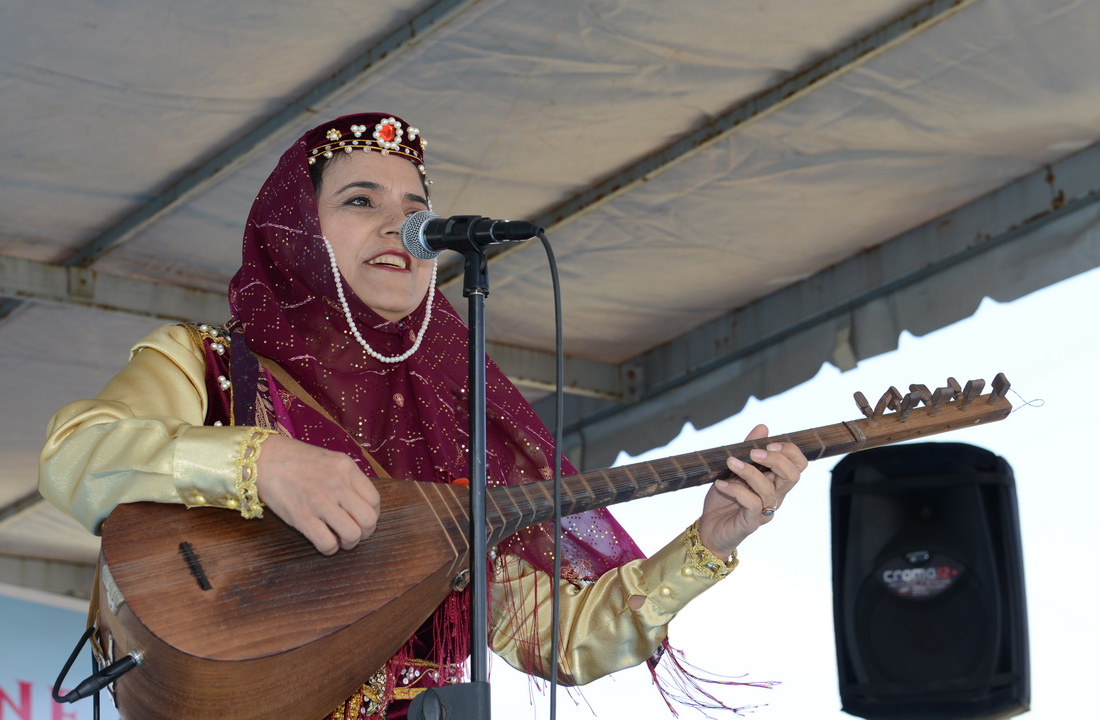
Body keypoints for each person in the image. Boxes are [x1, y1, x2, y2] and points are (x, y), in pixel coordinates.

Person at [39, 112, 808, 719]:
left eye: (416, 211)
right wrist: (259, 461)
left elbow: (560, 639)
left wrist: (710, 541)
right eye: (360, 202)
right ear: (294, 231)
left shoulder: (453, 429)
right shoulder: (209, 365)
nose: (398, 227)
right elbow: (75, 455)